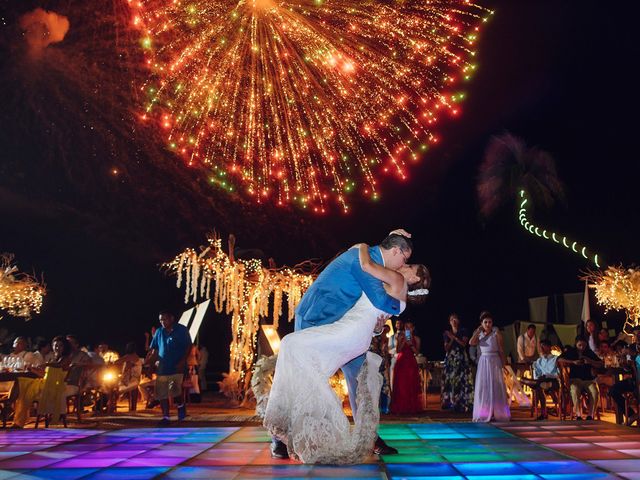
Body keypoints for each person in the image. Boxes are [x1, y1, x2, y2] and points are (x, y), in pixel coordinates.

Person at [264, 232, 430, 463]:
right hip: (316, 317)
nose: (404, 264)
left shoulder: (377, 267)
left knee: (360, 379)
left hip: (345, 330)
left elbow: (374, 309)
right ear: (396, 251)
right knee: (302, 374)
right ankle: (279, 437)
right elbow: (379, 301)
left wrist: (379, 326)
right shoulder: (366, 261)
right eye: (405, 259)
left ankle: (369, 436)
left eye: (409, 264)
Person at [145, 311, 192, 426]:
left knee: (175, 392)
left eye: (164, 319)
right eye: (160, 320)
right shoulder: (159, 332)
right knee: (161, 393)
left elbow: (188, 346)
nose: (162, 322)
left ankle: (181, 405)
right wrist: (150, 367)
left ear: (172, 319)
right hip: (163, 367)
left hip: (177, 367)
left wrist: (182, 361)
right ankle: (166, 417)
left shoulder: (182, 330)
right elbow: (155, 350)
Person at [470, 311, 510, 422]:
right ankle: (484, 412)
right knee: (484, 386)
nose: (488, 324)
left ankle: (497, 412)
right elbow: (471, 343)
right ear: (482, 323)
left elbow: (501, 350)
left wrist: (504, 364)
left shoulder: (496, 334)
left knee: (496, 385)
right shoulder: (480, 334)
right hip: (484, 361)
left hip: (495, 360)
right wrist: (477, 331)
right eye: (485, 322)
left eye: (490, 322)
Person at [558, 335, 603, 420]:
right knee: (574, 389)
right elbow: (559, 359)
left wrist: (589, 361)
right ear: (576, 344)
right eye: (580, 345)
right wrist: (573, 362)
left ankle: (591, 415)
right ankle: (578, 414)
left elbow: (600, 363)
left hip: (588, 379)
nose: (582, 348)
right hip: (574, 379)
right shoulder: (571, 351)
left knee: (594, 391)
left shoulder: (589, 352)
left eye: (584, 345)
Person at [441, 313, 474, 413]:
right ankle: (450, 403)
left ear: (458, 321)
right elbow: (446, 348)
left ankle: (463, 403)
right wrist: (451, 339)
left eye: (455, 319)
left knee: (462, 380)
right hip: (451, 358)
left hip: (461, 357)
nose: (454, 321)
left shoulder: (463, 331)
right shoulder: (447, 333)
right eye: (452, 320)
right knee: (451, 380)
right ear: (449, 322)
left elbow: (464, 344)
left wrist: (454, 337)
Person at [391, 320, 422, 414]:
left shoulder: (417, 339)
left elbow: (417, 352)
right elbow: (397, 350)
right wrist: (403, 342)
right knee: (401, 384)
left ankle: (411, 407)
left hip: (411, 362)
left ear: (413, 328)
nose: (408, 329)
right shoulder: (400, 337)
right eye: (406, 327)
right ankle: (401, 407)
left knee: (411, 384)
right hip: (401, 362)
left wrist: (411, 345)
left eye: (410, 327)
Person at [530, 339, 559, 420]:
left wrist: (547, 375)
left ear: (549, 348)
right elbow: (537, 374)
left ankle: (543, 412)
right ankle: (544, 413)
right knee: (539, 385)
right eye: (540, 347)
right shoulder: (539, 361)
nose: (541, 349)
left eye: (544, 347)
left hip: (553, 381)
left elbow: (559, 375)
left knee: (538, 385)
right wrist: (539, 377)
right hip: (542, 382)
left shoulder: (555, 359)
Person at [369, 324, 392, 414]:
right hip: (373, 364)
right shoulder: (372, 338)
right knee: (373, 385)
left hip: (382, 365)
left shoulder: (385, 340)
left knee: (384, 386)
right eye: (384, 330)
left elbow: (385, 353)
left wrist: (386, 362)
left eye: (387, 330)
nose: (385, 332)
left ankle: (384, 408)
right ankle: (374, 408)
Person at [388, 319, 404, 389]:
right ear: (395, 325)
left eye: (400, 323)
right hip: (395, 358)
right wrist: (397, 350)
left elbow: (409, 344)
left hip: (404, 358)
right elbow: (389, 350)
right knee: (393, 375)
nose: (399, 325)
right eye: (397, 323)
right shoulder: (392, 337)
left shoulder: (406, 334)